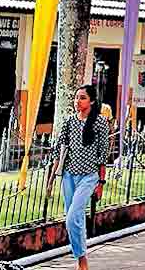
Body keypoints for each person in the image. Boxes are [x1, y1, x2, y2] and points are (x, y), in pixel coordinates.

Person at [48, 85, 110, 270]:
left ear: (91, 101)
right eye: (76, 98)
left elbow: (103, 156)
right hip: (68, 176)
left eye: (82, 98)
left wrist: (101, 183)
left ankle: (81, 258)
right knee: (75, 219)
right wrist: (50, 180)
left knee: (72, 217)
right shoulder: (68, 122)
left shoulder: (100, 122)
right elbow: (60, 151)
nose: (77, 102)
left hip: (89, 177)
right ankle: (81, 262)